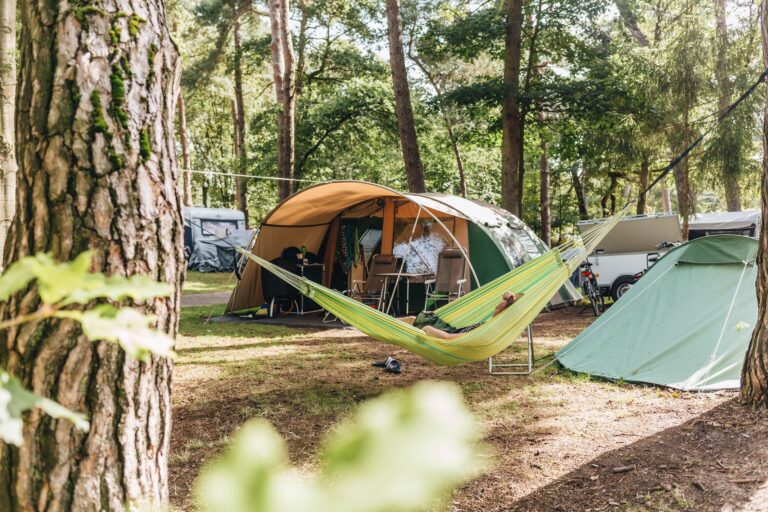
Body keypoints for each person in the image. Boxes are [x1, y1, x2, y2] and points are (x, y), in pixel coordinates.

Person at [402, 292, 523, 340]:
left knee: (425, 327)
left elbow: (451, 337)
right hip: (450, 329)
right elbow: (503, 306)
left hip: (448, 333)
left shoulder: (487, 332)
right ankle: (389, 323)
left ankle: (391, 328)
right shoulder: (491, 325)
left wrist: (430, 331)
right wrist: (509, 299)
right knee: (413, 319)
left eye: (500, 307)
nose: (497, 307)